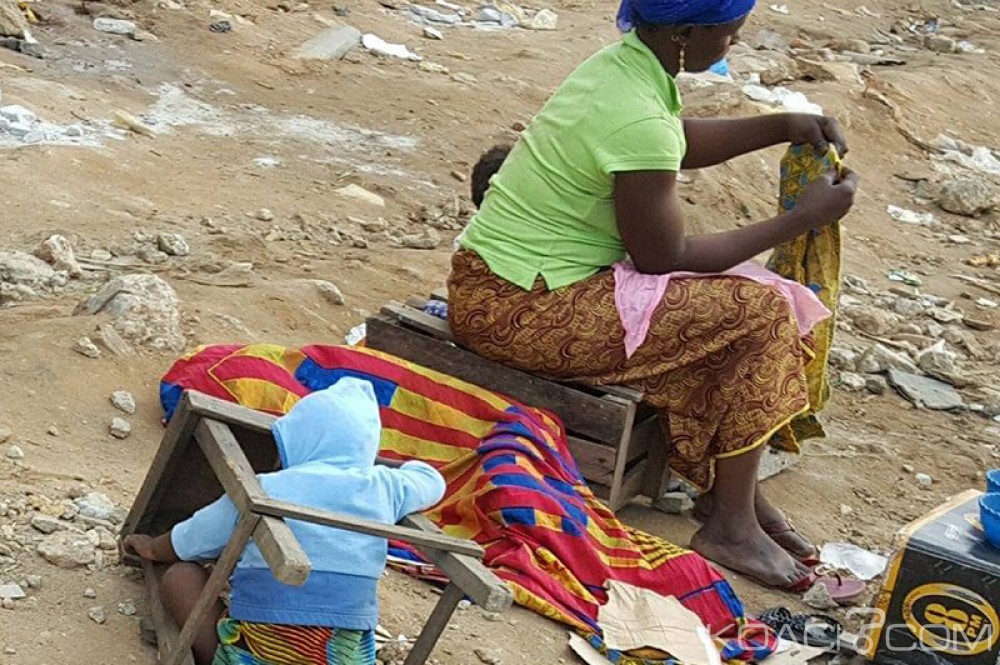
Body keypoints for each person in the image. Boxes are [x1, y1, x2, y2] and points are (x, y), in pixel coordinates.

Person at [448, 0, 860, 590]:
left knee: (746, 298)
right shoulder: (633, 107)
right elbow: (661, 257)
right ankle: (731, 524)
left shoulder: (624, 67)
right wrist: (802, 218)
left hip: (504, 282)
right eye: (731, 34)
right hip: (519, 310)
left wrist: (779, 125)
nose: (734, 44)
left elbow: (671, 142)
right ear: (687, 33)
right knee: (761, 311)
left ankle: (731, 499)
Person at [124, 378, 447, 665]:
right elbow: (432, 481)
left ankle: (220, 658)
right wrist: (378, 468)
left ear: (299, 441)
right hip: (339, 654)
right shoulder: (384, 487)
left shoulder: (268, 486)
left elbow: (195, 536)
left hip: (265, 650)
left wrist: (153, 547)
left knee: (180, 577)